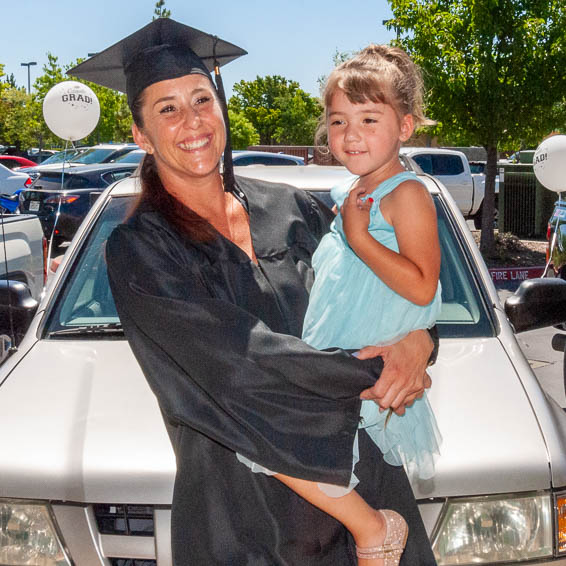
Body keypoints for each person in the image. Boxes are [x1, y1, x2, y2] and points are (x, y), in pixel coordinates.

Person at [69, 18, 438, 565]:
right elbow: (240, 364)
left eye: (201, 99)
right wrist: (375, 372)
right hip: (245, 526)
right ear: (141, 136)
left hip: (363, 493)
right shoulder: (141, 250)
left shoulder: (292, 209)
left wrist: (422, 340)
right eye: (166, 109)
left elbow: (379, 287)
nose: (191, 120)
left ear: (221, 109)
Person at [236, 45, 442, 565]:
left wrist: (360, 237)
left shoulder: (408, 194)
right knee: (273, 447)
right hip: (339, 360)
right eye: (338, 120)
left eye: (370, 119)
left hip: (372, 368)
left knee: (273, 443)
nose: (351, 135)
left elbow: (422, 287)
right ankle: (373, 534)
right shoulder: (350, 193)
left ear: (405, 126)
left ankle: (377, 535)